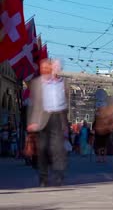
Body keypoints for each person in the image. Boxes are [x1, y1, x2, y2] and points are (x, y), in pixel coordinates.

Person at [27, 59, 69, 187]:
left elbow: (67, 105)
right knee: (42, 149)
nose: (45, 69)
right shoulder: (36, 83)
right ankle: (43, 178)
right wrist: (31, 121)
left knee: (57, 149)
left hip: (57, 118)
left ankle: (58, 175)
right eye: (42, 67)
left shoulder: (62, 83)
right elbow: (33, 105)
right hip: (42, 119)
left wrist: (65, 123)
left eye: (47, 67)